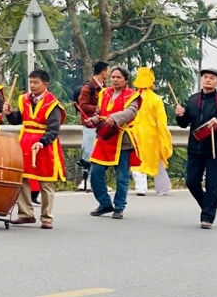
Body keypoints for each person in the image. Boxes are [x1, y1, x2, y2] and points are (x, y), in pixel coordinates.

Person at [3, 69, 65, 229]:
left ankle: (47, 217)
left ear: (45, 84)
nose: (32, 85)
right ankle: (26, 214)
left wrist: (42, 142)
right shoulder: (24, 99)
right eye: (31, 82)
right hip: (25, 142)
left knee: (46, 182)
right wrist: (10, 113)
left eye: (36, 82)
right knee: (22, 179)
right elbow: (19, 120)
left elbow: (53, 129)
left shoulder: (53, 104)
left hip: (45, 146)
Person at [86, 67, 141, 219]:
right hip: (105, 138)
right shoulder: (105, 93)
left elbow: (131, 112)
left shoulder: (133, 95)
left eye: (119, 77)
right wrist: (94, 120)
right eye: (113, 77)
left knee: (122, 177)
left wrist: (114, 118)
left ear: (126, 80)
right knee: (95, 173)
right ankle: (104, 203)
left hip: (122, 139)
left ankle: (119, 206)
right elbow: (100, 113)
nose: (115, 79)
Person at [175, 68, 217, 228]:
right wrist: (180, 114)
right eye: (205, 77)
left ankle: (207, 217)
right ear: (201, 80)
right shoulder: (193, 99)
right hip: (195, 147)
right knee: (192, 182)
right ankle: (209, 206)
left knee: (212, 184)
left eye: (212, 78)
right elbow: (184, 123)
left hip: (215, 148)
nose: (208, 80)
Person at [130, 67, 173, 196]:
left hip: (136, 133)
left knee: (138, 160)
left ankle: (141, 187)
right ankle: (163, 188)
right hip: (152, 134)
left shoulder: (133, 97)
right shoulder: (156, 99)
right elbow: (161, 121)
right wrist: (164, 137)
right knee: (157, 161)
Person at [74, 61, 110, 191]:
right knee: (88, 153)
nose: (109, 74)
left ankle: (97, 182)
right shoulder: (88, 87)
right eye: (108, 71)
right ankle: (85, 182)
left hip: (101, 125)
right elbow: (82, 105)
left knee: (100, 154)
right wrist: (99, 109)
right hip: (90, 124)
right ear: (103, 72)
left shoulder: (104, 87)